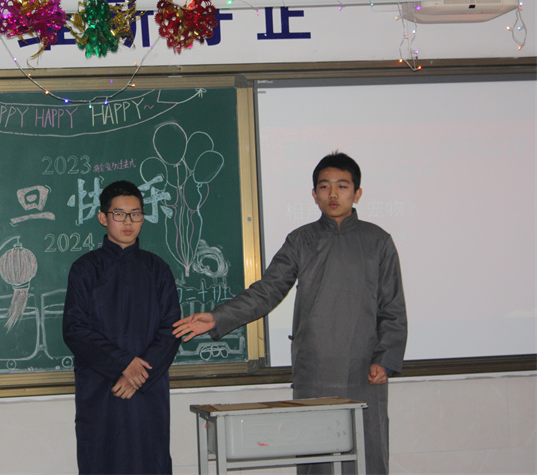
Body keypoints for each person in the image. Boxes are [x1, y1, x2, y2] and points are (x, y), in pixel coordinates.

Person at [173, 152, 407, 475]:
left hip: (364, 370)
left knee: (368, 455)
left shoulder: (378, 241)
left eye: (342, 186)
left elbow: (393, 308)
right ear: (314, 194)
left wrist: (385, 359)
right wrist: (217, 317)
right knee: (316, 457)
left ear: (357, 193)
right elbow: (266, 292)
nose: (333, 194)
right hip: (315, 371)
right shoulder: (301, 240)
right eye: (324, 187)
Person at [63, 180, 182, 474]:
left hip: (146, 392)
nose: (128, 222)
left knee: (149, 463)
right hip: (102, 390)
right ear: (103, 218)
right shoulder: (84, 269)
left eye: (135, 214)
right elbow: (75, 329)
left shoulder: (158, 270)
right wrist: (123, 364)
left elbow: (171, 330)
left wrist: (137, 376)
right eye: (119, 214)